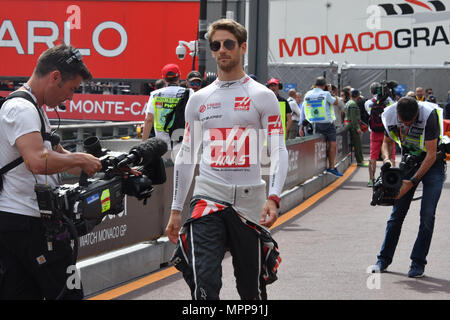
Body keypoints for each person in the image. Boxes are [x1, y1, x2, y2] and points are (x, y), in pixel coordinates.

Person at [165, 18, 288, 300]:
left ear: (243, 47)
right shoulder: (199, 99)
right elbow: (186, 154)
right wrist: (175, 209)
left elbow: (279, 148)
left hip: (250, 201)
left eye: (228, 44)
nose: (222, 50)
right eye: (216, 45)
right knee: (204, 283)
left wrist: (274, 196)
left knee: (251, 289)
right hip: (208, 196)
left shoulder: (263, 95)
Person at [0, 44, 102, 300]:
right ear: (55, 76)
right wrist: (79, 158)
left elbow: (53, 151)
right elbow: (37, 160)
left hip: (19, 222)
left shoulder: (33, 108)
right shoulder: (22, 109)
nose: (71, 98)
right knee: (69, 294)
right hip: (29, 223)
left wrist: (91, 162)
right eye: (72, 89)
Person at [369, 97, 446, 278]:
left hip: (433, 165)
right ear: (397, 114)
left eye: (410, 122)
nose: (406, 125)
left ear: (417, 114)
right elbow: (386, 143)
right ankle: (383, 259)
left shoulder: (429, 115)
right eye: (403, 122)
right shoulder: (388, 114)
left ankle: (418, 263)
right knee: (396, 215)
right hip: (408, 162)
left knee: (427, 215)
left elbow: (431, 155)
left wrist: (410, 182)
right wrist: (388, 159)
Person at [142, 63, 193, 150]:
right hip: (182, 141)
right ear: (179, 77)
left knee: (163, 163)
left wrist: (143, 145)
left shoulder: (155, 95)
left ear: (163, 79)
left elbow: (149, 120)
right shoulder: (189, 93)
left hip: (161, 144)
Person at [300, 77, 342, 177]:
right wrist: (331, 91)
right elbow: (335, 102)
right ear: (324, 86)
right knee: (332, 144)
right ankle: (331, 167)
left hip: (313, 123)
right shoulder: (326, 94)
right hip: (327, 123)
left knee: (316, 145)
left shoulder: (308, 94)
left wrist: (301, 126)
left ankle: (313, 170)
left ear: (315, 84)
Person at [365, 82, 396, 187]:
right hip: (387, 132)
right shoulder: (389, 101)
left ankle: (371, 180)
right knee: (389, 156)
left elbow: (369, 114)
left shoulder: (368, 102)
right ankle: (388, 179)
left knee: (373, 156)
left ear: (371, 91)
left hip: (374, 132)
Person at [344, 89, 366, 166]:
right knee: (357, 144)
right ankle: (360, 161)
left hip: (348, 125)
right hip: (353, 127)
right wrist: (357, 128)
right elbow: (353, 118)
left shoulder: (348, 103)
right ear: (357, 96)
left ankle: (360, 160)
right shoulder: (353, 104)